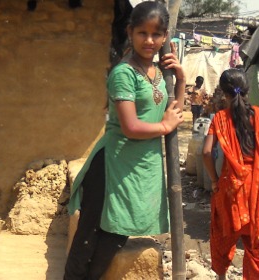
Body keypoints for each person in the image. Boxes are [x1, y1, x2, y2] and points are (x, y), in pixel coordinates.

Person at [64, 2, 185, 279]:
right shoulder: (124, 73)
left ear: (165, 37)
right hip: (111, 167)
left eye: (156, 35)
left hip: (138, 169)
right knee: (88, 239)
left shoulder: (158, 74)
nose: (150, 40)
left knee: (114, 237)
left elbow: (175, 113)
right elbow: (131, 127)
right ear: (130, 32)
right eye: (143, 33)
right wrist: (164, 126)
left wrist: (179, 80)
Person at [202, 69, 259, 280]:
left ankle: (221, 276)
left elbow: (206, 152)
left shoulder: (220, 118)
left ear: (223, 92)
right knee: (258, 247)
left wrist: (213, 181)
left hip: (231, 192)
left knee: (223, 237)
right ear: (247, 90)